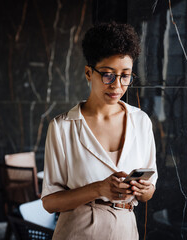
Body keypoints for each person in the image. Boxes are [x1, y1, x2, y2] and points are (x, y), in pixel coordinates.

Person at [41, 22, 158, 240]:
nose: (117, 85)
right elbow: (49, 202)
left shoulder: (141, 121)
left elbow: (150, 190)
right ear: (88, 72)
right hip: (79, 230)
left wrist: (143, 191)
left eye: (125, 76)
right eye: (108, 74)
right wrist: (98, 189)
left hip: (126, 228)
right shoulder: (62, 127)